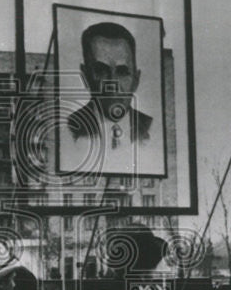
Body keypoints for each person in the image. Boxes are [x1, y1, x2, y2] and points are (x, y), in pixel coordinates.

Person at [59, 21, 161, 176]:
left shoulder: (150, 129)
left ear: (136, 80)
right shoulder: (70, 128)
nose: (112, 84)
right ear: (85, 76)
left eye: (122, 72)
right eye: (101, 71)